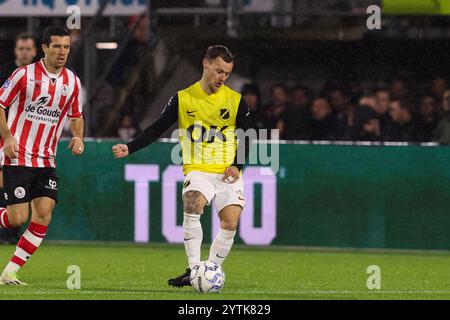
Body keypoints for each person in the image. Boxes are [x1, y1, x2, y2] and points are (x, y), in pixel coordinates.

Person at [112, 45, 252, 288]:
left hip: (227, 172)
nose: (222, 78)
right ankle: (195, 269)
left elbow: (248, 135)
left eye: (227, 73)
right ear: (205, 64)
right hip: (198, 168)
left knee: (230, 222)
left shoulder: (235, 101)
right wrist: (130, 147)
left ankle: (209, 271)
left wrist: (238, 165)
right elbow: (158, 127)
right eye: (219, 71)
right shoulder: (183, 98)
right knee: (193, 202)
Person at [0, 26, 84, 285]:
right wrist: (8, 137)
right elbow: (0, 105)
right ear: (44, 48)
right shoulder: (23, 76)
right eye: (57, 46)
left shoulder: (72, 82)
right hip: (18, 155)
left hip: (46, 159)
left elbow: (76, 115)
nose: (62, 52)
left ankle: (10, 271)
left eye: (66, 47)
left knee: (44, 212)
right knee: (16, 219)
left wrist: (78, 136)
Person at [0, 32, 37, 245]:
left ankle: (12, 231)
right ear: (16, 50)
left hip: (29, 140)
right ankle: (8, 230)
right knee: (6, 181)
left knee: (22, 183)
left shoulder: (38, 75)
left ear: (34, 51)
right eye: (21, 48)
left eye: (28, 49)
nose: (24, 52)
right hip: (4, 137)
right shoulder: (5, 72)